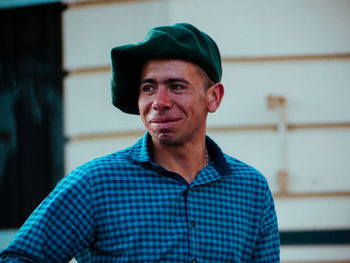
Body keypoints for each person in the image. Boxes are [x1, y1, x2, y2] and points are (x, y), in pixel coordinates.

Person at [0, 23, 280, 262]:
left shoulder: (251, 189)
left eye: (176, 86)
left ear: (213, 97)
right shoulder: (95, 183)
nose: (159, 102)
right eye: (149, 88)